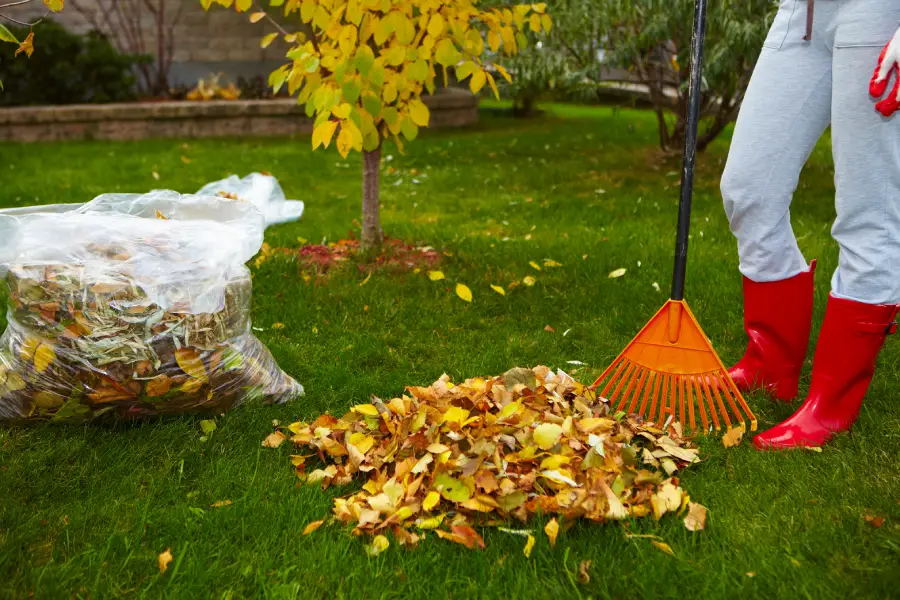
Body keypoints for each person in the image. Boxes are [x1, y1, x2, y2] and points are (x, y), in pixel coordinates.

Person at [720, 0, 900, 450]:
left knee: (868, 209)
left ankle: (830, 406)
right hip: (803, 12)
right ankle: (769, 365)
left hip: (879, 11)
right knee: (749, 190)